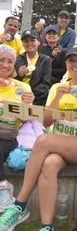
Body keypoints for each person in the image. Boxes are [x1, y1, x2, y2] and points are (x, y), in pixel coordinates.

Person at [0, 47, 77, 231]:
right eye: (71, 61)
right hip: (58, 147)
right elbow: (46, 120)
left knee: (43, 140)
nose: (76, 64)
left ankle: (20, 204)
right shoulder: (57, 88)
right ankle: (47, 226)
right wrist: (59, 96)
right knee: (49, 164)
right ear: (66, 65)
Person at [0, 46, 35, 212]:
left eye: (10, 61)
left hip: (8, 137)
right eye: (1, 59)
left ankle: (2, 186)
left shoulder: (22, 87)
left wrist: (27, 105)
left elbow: (27, 119)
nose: (5, 65)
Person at [15, 30, 51, 106]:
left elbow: (45, 83)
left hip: (37, 100)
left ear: (38, 42)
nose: (29, 43)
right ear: (22, 43)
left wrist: (29, 94)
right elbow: (12, 80)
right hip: (18, 97)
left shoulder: (45, 60)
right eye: (26, 41)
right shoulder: (17, 59)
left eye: (32, 40)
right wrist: (19, 74)